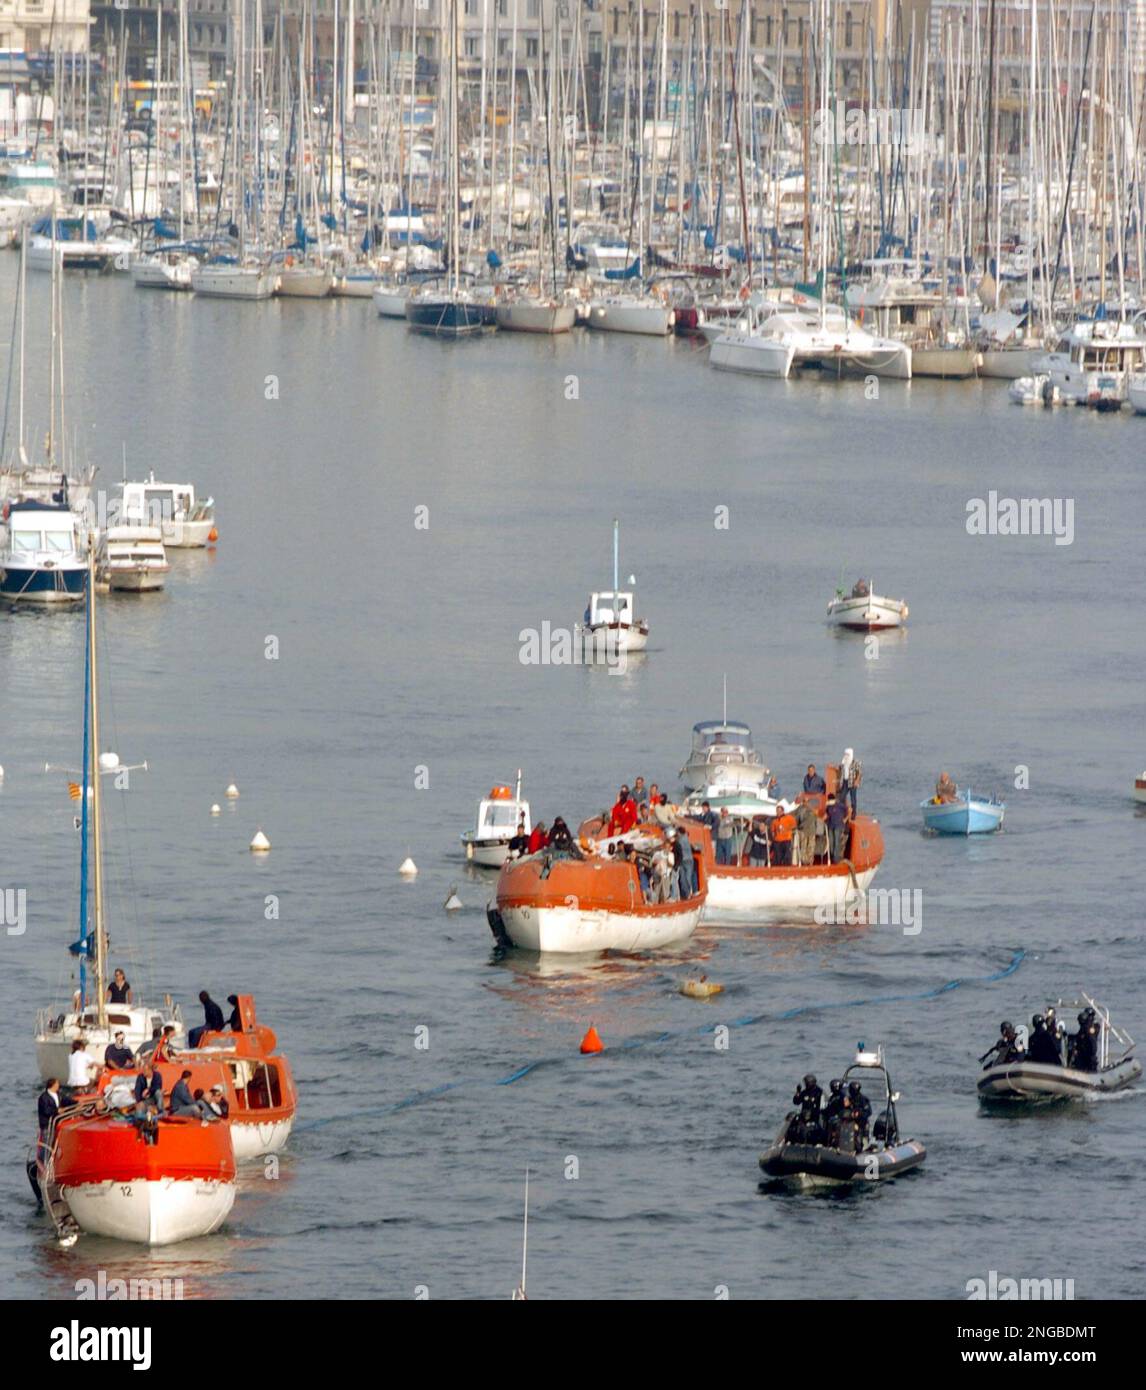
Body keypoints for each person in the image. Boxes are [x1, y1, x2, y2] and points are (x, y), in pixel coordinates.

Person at [789, 1074, 824, 1144]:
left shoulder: (819, 1092)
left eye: (806, 1083)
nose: (805, 1085)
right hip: (804, 1115)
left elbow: (823, 1105)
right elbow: (796, 1102)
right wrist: (798, 1092)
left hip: (815, 1116)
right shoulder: (804, 1092)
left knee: (819, 1127)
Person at [675, 826, 698, 897]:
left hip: (684, 861)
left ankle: (687, 893)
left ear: (679, 833)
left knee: (684, 879)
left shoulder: (680, 840)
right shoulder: (686, 838)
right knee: (687, 878)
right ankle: (689, 893)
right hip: (688, 860)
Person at [795, 800, 819, 867]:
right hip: (803, 831)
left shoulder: (812, 809)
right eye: (804, 801)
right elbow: (797, 819)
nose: (806, 802)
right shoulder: (800, 810)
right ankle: (803, 862)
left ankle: (810, 862)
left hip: (812, 831)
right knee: (803, 847)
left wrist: (809, 806)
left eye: (807, 801)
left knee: (811, 847)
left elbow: (817, 813)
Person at [826, 794, 849, 863]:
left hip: (838, 825)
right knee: (831, 841)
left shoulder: (840, 806)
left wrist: (845, 819)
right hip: (830, 825)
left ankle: (836, 858)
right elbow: (827, 815)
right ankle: (833, 855)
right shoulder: (828, 807)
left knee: (836, 841)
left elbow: (848, 809)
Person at [823, 1079, 844, 1146]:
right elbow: (829, 1108)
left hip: (839, 1118)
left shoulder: (842, 1097)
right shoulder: (832, 1097)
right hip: (831, 1118)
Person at [840, 749, 861, 815]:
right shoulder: (844, 761)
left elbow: (859, 772)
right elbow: (841, 771)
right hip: (845, 781)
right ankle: (844, 811)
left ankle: (853, 812)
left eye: (848, 754)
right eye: (845, 754)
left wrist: (857, 781)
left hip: (852, 782)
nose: (846, 756)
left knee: (853, 798)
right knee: (842, 797)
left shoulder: (855, 762)